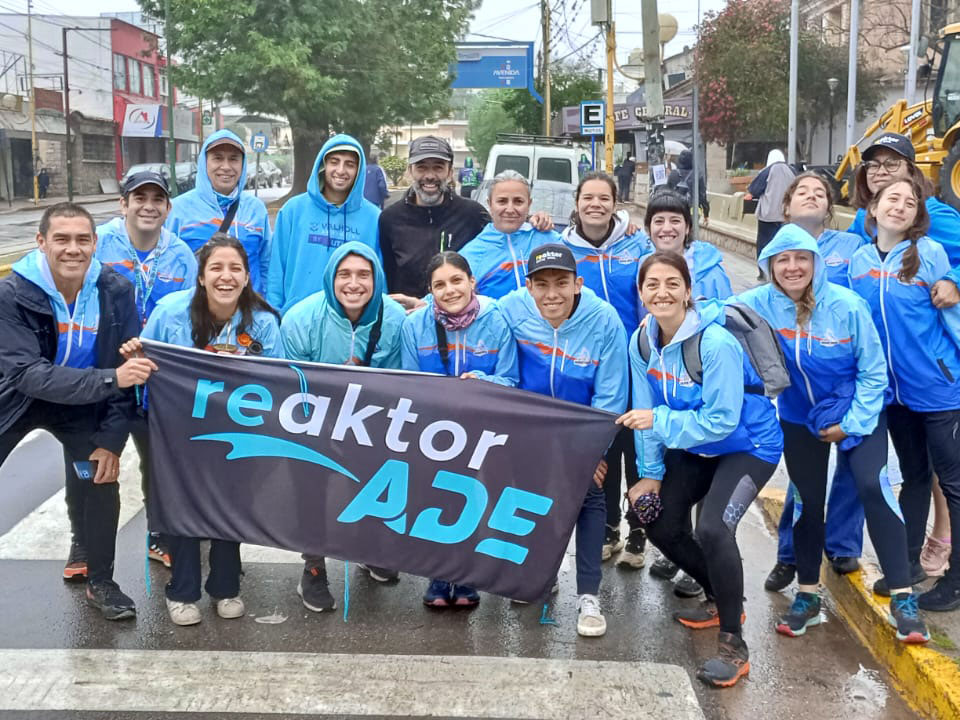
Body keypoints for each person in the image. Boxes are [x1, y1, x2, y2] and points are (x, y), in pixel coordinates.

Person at [735, 224, 929, 643]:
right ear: (770, 265)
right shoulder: (759, 303)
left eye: (801, 258)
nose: (792, 267)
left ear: (816, 263)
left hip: (857, 408)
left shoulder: (846, 306)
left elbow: (874, 373)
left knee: (872, 486)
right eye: (782, 260)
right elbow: (716, 314)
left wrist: (851, 423)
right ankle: (807, 595)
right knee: (807, 499)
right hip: (799, 415)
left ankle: (903, 598)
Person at [618, 251, 783, 688]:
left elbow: (721, 420)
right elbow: (644, 412)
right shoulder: (642, 341)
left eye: (673, 283)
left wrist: (659, 421)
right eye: (652, 284)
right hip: (696, 445)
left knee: (712, 528)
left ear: (688, 291)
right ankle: (720, 596)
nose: (662, 292)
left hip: (749, 444)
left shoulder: (715, 343)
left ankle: (734, 644)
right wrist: (649, 474)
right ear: (641, 293)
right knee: (655, 519)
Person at [0, 202, 152, 620]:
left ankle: (101, 582)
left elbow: (129, 368)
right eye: (62, 239)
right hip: (20, 397)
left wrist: (111, 442)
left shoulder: (116, 290)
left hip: (84, 402)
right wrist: (111, 379)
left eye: (82, 240)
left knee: (100, 475)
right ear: (41, 242)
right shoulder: (11, 293)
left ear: (95, 243)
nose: (73, 249)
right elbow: (28, 375)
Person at [126, 233, 284, 626]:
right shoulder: (170, 313)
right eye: (216, 268)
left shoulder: (264, 323)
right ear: (201, 277)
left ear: (246, 277)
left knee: (229, 508)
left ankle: (226, 587)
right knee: (183, 509)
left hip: (236, 434)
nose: (225, 276)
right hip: (177, 432)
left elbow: (278, 380)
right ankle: (181, 592)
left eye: (235, 268)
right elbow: (146, 368)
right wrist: (134, 357)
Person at [499, 243, 628, 638]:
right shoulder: (510, 308)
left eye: (561, 283)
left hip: (582, 427)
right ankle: (541, 574)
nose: (551, 294)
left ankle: (589, 596)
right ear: (528, 287)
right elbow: (472, 314)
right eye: (542, 284)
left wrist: (592, 453)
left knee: (588, 496)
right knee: (533, 499)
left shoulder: (604, 320)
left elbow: (611, 395)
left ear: (578, 284)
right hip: (532, 428)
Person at [847, 132, 960, 577]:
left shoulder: (936, 233)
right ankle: (906, 565)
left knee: (950, 479)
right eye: (874, 165)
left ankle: (951, 568)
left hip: (937, 383)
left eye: (892, 163)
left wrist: (955, 282)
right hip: (892, 391)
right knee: (914, 475)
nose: (881, 171)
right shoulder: (860, 247)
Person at [78, 170, 196, 574]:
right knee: (90, 458)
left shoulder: (181, 255)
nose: (148, 206)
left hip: (157, 378)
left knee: (158, 461)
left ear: (168, 207)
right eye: (139, 198)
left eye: (157, 199)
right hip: (104, 371)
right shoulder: (99, 244)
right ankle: (82, 541)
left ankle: (159, 533)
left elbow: (189, 312)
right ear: (123, 203)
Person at [281, 241, 406, 609]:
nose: (354, 283)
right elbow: (291, 385)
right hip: (312, 420)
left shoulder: (396, 318)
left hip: (372, 417)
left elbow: (401, 378)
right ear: (330, 278)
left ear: (377, 279)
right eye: (344, 274)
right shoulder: (300, 320)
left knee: (371, 484)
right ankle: (313, 567)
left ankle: (368, 550)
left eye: (364, 275)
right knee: (311, 489)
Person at [764, 172, 868, 592]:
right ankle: (790, 554)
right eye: (801, 191)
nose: (811, 197)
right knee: (803, 482)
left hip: (846, 377)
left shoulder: (851, 246)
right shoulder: (778, 250)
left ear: (830, 205)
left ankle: (842, 545)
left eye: (819, 192)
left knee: (853, 469)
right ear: (786, 206)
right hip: (800, 385)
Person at [401, 251, 519, 607]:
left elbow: (511, 379)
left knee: (475, 499)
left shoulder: (498, 320)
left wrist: (480, 381)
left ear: (472, 282)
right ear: (430, 291)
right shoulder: (414, 325)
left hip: (485, 428)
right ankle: (439, 575)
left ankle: (468, 576)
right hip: (435, 428)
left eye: (456, 280)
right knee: (436, 499)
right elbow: (409, 382)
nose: (449, 290)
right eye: (439, 284)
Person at [559, 171, 651, 569]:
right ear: (576, 202)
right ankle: (609, 527)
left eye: (604, 198)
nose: (595, 204)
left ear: (616, 204)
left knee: (641, 451)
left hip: (639, 365)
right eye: (588, 197)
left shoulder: (637, 243)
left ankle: (640, 529)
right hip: (593, 368)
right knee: (605, 448)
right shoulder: (562, 248)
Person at [380, 136, 553, 311]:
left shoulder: (473, 214)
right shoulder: (390, 219)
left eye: (438, 167)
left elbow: (504, 229)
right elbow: (387, 274)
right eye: (421, 167)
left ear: (450, 172)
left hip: (464, 317)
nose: (430, 176)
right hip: (411, 316)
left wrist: (532, 219)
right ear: (409, 171)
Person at [268, 134, 381, 315]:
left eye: (350, 164)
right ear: (323, 165)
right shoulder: (293, 210)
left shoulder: (373, 218)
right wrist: (274, 313)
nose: (341, 170)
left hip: (350, 321)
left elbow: (379, 277)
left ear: (359, 170)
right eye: (334, 162)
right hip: (296, 318)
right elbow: (276, 269)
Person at [166, 130, 272, 294]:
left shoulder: (256, 209)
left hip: (249, 307)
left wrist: (265, 302)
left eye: (233, 159)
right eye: (218, 158)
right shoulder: (177, 209)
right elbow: (167, 265)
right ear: (204, 162)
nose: (226, 167)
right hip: (196, 307)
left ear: (243, 164)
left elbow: (267, 263)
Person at [459, 171, 561, 299]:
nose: (510, 209)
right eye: (502, 201)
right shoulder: (471, 253)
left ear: (529, 204)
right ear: (490, 204)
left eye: (518, 201)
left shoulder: (549, 239)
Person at [645, 189, 731, 301]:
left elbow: (728, 310)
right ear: (649, 228)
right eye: (659, 221)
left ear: (687, 228)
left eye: (675, 221)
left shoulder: (711, 273)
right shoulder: (642, 265)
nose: (666, 228)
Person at [746, 149, 795, 275]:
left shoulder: (766, 172)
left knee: (764, 244)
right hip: (787, 217)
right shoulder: (792, 171)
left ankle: (764, 271)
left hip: (767, 217)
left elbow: (753, 191)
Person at [667, 150, 710, 223]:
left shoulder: (673, 174)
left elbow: (667, 193)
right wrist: (706, 213)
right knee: (691, 228)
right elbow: (702, 195)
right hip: (693, 210)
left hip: (676, 209)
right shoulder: (697, 174)